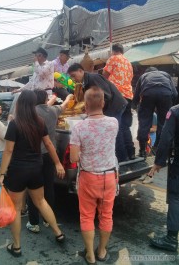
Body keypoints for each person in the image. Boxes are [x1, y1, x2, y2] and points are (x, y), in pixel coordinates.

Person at [0, 90, 66, 258]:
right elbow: (48, 144)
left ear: (19, 104)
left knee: (17, 208)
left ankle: (17, 247)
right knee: (41, 202)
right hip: (36, 168)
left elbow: (9, 150)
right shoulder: (39, 121)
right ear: (34, 104)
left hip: (17, 171)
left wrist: (2, 174)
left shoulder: (15, 123)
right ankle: (58, 233)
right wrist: (57, 163)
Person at [70, 86, 119, 264]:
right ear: (103, 103)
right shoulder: (113, 122)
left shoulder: (79, 127)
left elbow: (74, 157)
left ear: (85, 105)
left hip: (88, 177)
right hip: (109, 177)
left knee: (86, 216)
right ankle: (102, 251)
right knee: (106, 215)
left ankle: (90, 254)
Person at [26, 89, 73, 233]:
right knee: (49, 187)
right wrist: (69, 96)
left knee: (33, 189)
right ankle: (48, 219)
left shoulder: (30, 113)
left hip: (33, 156)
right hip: (49, 154)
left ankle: (33, 222)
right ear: (45, 99)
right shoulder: (53, 111)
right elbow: (64, 105)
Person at [148, 104, 179, 252]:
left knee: (175, 197)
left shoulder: (175, 111)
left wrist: (158, 162)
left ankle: (171, 239)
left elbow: (166, 138)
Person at [133, 67, 178, 158]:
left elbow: (137, 94)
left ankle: (142, 151)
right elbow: (175, 93)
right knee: (164, 123)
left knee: (144, 122)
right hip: (166, 94)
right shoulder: (165, 74)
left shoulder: (144, 76)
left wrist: (134, 106)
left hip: (148, 93)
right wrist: (172, 108)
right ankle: (158, 149)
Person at [103, 43, 135, 162]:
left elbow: (104, 76)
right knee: (125, 126)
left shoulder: (113, 58)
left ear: (113, 51)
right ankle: (131, 153)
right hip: (128, 95)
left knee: (116, 126)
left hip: (117, 96)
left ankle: (122, 157)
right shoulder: (128, 62)